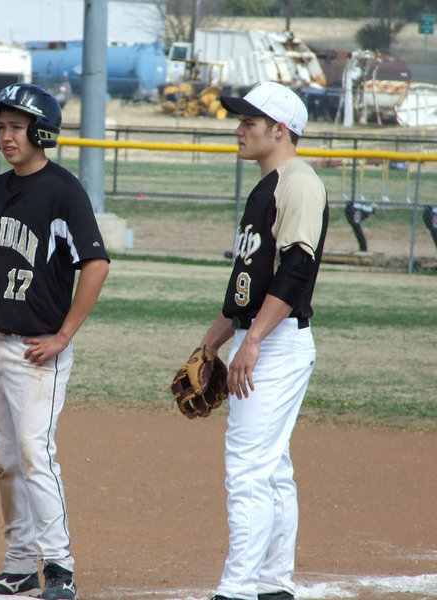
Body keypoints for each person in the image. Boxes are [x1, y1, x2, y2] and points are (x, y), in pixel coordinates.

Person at [0, 83, 110, 600]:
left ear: (41, 132)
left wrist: (65, 334)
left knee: (34, 453)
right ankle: (19, 566)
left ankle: (59, 568)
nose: (5, 135)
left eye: (16, 127)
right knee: (8, 460)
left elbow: (96, 263)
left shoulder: (63, 191)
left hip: (38, 352)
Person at [198, 81, 329, 600]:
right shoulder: (267, 184)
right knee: (272, 468)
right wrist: (211, 344)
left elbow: (297, 268)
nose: (238, 129)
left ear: (280, 130)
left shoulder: (299, 182)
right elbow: (245, 288)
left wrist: (250, 343)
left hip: (275, 342)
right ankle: (274, 584)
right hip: (264, 337)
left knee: (247, 466)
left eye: (249, 122)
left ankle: (237, 589)